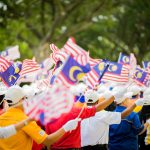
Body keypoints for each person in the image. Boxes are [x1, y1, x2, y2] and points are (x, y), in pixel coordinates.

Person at [0, 85, 80, 150]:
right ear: (21, 100)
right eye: (25, 98)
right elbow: (47, 141)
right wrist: (65, 128)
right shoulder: (25, 120)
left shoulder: (2, 117)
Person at [46, 87, 127, 150]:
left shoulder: (48, 117)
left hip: (78, 147)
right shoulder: (77, 111)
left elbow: (47, 142)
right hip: (87, 147)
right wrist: (114, 96)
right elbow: (96, 109)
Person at [81, 87, 146, 150]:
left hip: (84, 147)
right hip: (101, 147)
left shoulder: (79, 113)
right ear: (98, 101)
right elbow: (122, 116)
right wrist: (135, 105)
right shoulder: (103, 114)